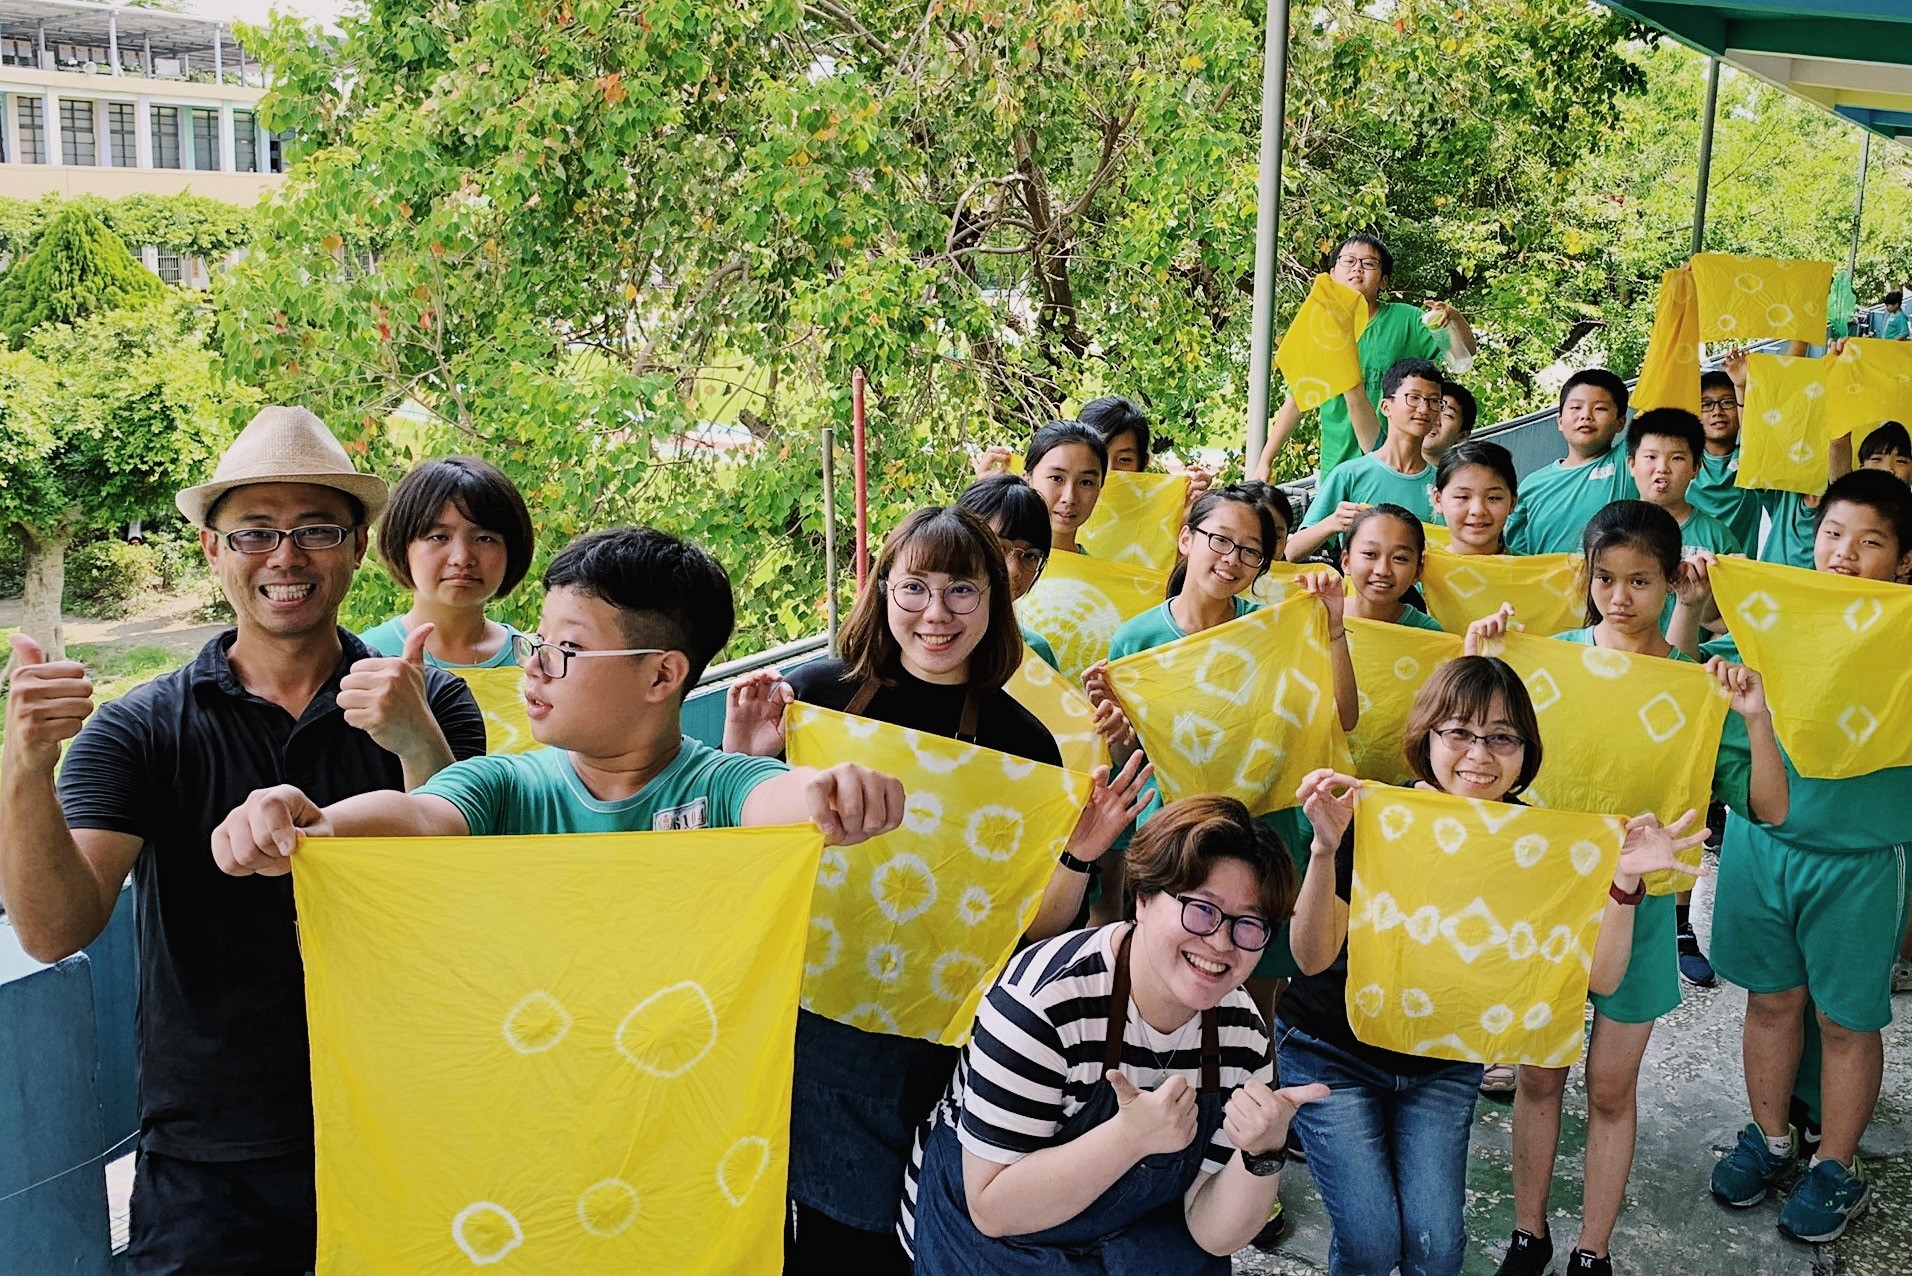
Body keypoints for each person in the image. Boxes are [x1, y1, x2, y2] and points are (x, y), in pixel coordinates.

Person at [0, 406, 487, 1273]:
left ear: (354, 543)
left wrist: (414, 740)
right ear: (211, 550)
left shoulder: (430, 702)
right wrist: (27, 767)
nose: (286, 556)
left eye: (315, 530)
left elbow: (465, 900)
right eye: (254, 531)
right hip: (209, 1156)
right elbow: (52, 929)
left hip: (410, 1118)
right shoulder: (142, 728)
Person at [721, 506, 1150, 1271]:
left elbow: (1036, 932)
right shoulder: (810, 700)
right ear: (882, 590)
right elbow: (742, 870)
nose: (936, 613)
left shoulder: (1024, 741)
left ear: (995, 600)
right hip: (818, 1020)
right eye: (914, 586)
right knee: (824, 1231)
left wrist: (1080, 855)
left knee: (921, 1229)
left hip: (949, 1032)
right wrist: (742, 757)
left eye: (963, 590)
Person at [1281, 657, 1702, 1276]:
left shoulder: (1541, 843)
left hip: (1443, 1063)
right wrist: (1324, 848)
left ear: (1525, 751)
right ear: (1426, 736)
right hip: (1332, 1051)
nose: (1479, 753)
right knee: (1369, 1243)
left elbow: (1603, 980)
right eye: (1458, 731)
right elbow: (1310, 956)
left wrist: (1623, 885)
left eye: (1501, 737)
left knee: (1437, 1251)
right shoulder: (1376, 818)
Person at [1477, 502, 1787, 1276]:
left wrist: (1754, 717)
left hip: (1643, 911)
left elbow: (1769, 807)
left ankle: (1593, 1248)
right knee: (1540, 1075)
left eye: (1641, 580)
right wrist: (1478, 658)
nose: (1620, 597)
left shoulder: (1697, 685)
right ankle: (1528, 1232)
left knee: (1612, 1088)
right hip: (1549, 902)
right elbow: (1473, 766)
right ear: (1585, 577)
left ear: (1671, 580)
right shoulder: (1543, 662)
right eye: (1605, 578)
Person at [902, 794, 1332, 1272]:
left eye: (1248, 925)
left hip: (1130, 1241)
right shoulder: (1043, 1002)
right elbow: (991, 1207)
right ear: (1143, 898)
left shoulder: (1243, 1034)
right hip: (992, 1242)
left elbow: (1212, 1233)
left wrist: (1262, 1153)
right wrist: (1128, 1139)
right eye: (1201, 909)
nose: (1220, 943)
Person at [1704, 469, 1912, 1243]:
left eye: (1870, 541)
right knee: (1770, 999)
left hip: (1861, 856)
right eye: (1831, 534)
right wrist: (1697, 595)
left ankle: (1838, 1164)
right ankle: (1772, 1138)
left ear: (1904, 559)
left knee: (1848, 1020)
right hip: (1763, 845)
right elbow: (1695, 656)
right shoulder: (1774, 612)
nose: (1845, 554)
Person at [1255, 233, 1478, 479]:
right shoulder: (1321, 329)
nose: (1357, 269)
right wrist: (1265, 461)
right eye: (1348, 261)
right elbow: (1296, 402)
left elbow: (1464, 353)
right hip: (1338, 468)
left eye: (1369, 263)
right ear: (1332, 275)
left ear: (1383, 281)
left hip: (1397, 467)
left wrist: (1454, 318)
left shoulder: (1407, 321)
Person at [357, 455, 535, 667]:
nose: (462, 558)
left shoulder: (536, 662)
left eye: (484, 538)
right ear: (402, 544)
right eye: (439, 537)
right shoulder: (364, 659)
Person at [1286, 358, 1443, 563]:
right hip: (1361, 594)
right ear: (1386, 407)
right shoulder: (1349, 475)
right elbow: (1292, 552)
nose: (1424, 409)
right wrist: (1333, 523)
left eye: (1433, 401)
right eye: (1414, 398)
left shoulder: (1444, 484)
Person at [1503, 370, 1636, 556]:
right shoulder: (1532, 485)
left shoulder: (1629, 463)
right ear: (1559, 421)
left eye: (1600, 408)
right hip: (1545, 584)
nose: (1586, 416)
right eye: (1575, 407)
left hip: (1608, 584)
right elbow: (1514, 557)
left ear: (1621, 422)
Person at [957, 473, 1060, 669]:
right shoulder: (918, 632)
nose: (1013, 570)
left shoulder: (1035, 655)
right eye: (998, 547)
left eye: (1030, 556)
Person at [1687, 361, 1763, 554]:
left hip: (1736, 577)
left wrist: (1740, 386)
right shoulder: (1683, 462)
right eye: (1706, 405)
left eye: (1727, 402)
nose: (1717, 412)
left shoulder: (1752, 462)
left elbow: (1755, 436)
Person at [1340, 504, 1443, 630]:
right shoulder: (1322, 615)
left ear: (1417, 572)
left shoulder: (1429, 633)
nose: (1382, 570)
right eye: (1370, 554)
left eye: (1400, 558)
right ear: (1346, 562)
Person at [1024, 420, 1108, 556]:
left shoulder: (1096, 575)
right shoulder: (991, 558)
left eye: (1086, 482)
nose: (1069, 498)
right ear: (1027, 479)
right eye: (1056, 478)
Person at [1432, 439, 1519, 558]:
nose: (1478, 510)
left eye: (1493, 498)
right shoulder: (1419, 572)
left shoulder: (1533, 573)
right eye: (1463, 497)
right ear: (1438, 500)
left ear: (1512, 503)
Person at [1426, 379, 1478, 463]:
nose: (1435, 420)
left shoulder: (1463, 475)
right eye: (1433, 408)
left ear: (1462, 436)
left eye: (1447, 415)